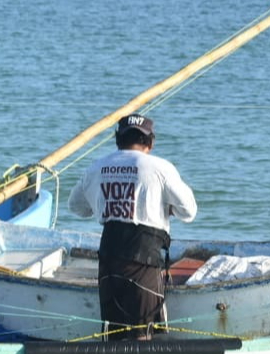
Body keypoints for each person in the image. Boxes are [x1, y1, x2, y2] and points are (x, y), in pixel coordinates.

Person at [68, 114, 197, 341]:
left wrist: (105, 203)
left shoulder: (98, 166)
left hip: (109, 254)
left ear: (118, 139)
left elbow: (77, 207)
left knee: (113, 332)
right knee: (142, 333)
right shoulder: (160, 167)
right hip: (144, 256)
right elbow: (189, 212)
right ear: (150, 142)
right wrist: (167, 208)